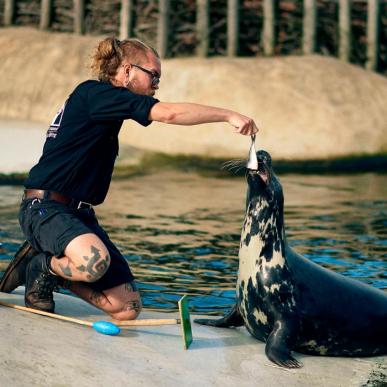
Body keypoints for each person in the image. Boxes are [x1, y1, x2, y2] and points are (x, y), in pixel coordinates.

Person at [0, 37, 258, 321]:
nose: (157, 84)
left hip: (79, 215)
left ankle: (51, 267)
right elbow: (169, 113)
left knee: (126, 308)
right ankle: (43, 266)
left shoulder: (109, 107)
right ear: (126, 71)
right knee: (93, 261)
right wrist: (228, 115)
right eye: (153, 75)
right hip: (45, 208)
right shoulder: (95, 94)